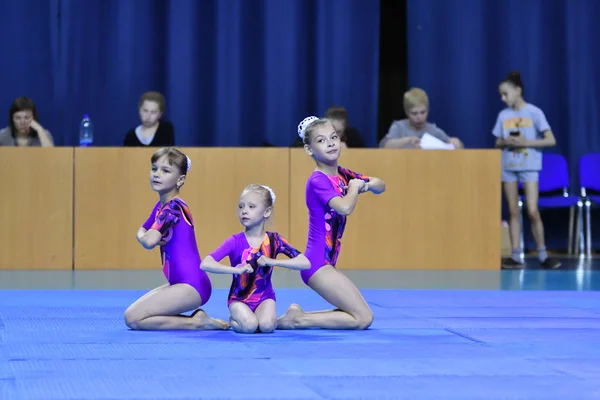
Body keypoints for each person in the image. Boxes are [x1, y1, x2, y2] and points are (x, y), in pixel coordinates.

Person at [277, 116, 385, 330]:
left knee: (360, 316)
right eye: (321, 140)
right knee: (363, 319)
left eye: (334, 137)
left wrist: (369, 184)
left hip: (326, 264)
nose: (330, 143)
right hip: (317, 265)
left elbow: (381, 185)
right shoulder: (318, 180)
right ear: (309, 150)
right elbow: (344, 207)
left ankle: (299, 317)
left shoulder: (343, 174)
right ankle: (298, 320)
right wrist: (355, 188)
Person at [124, 147, 230, 330]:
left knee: (133, 318)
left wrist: (147, 236)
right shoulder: (161, 206)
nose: (157, 174)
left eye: (165, 171)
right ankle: (197, 320)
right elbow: (143, 232)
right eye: (154, 168)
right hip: (181, 283)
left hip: (191, 286)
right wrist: (146, 235)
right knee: (132, 315)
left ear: (180, 179)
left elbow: (148, 240)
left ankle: (196, 323)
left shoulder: (173, 208)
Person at [201, 184, 310, 334]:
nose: (244, 211)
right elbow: (206, 263)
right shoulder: (234, 241)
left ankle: (272, 317)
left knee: (267, 326)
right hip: (239, 299)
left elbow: (305, 263)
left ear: (267, 212)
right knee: (249, 326)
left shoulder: (275, 240)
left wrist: (274, 262)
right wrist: (234, 270)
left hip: (264, 297)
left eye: (251, 206)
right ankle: (234, 320)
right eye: (241, 206)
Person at [492, 72, 561, 269]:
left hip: (529, 166)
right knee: (513, 211)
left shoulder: (534, 112)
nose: (503, 99)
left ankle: (542, 254)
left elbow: (550, 139)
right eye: (501, 95)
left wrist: (526, 142)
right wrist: (505, 142)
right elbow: (497, 141)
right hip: (509, 167)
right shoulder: (503, 116)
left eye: (505, 94)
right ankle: (515, 255)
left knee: (532, 210)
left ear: (518, 91)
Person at [379, 88, 462, 149]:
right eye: (414, 113)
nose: (419, 117)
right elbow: (385, 146)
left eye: (423, 112)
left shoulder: (433, 130)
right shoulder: (399, 127)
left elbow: (453, 147)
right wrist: (407, 140)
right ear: (407, 112)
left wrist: (457, 143)